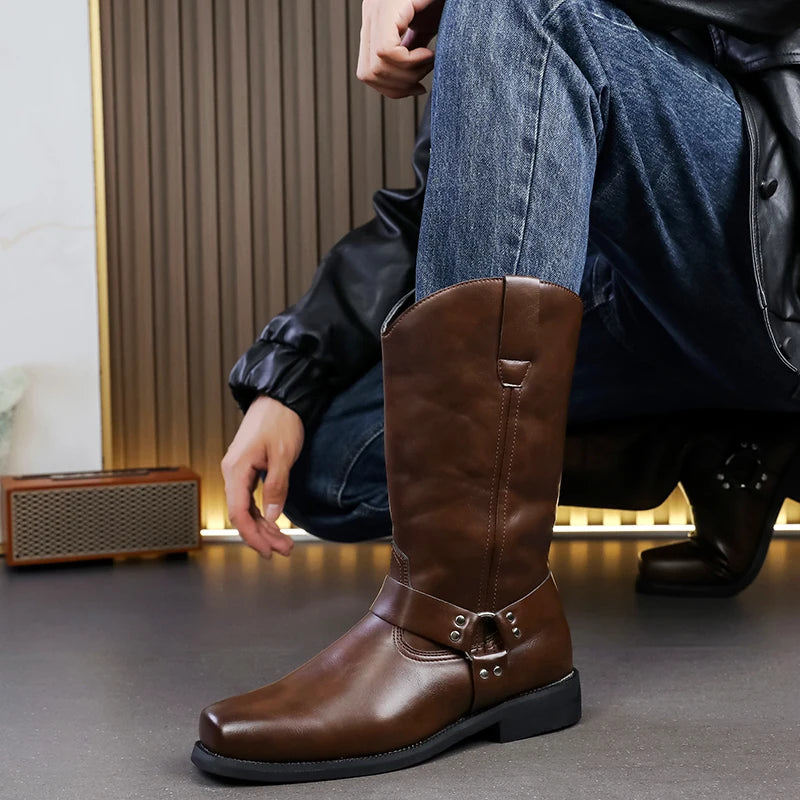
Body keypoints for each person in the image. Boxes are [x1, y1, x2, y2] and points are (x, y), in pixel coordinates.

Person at [191, 0, 800, 783]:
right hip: (630, 318)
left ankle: (471, 630)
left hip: (765, 250)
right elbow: (462, 204)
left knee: (516, 5)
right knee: (327, 459)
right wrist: (290, 378)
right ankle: (721, 444)